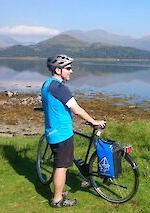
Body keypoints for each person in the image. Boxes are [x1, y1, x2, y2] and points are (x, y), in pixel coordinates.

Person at [41, 54, 106, 208]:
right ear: (58, 70)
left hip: (53, 131)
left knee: (61, 164)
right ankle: (57, 200)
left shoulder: (47, 84)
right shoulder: (59, 87)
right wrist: (93, 121)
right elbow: (76, 109)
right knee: (61, 166)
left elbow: (49, 103)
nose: (71, 71)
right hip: (61, 133)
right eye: (68, 68)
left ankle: (59, 191)